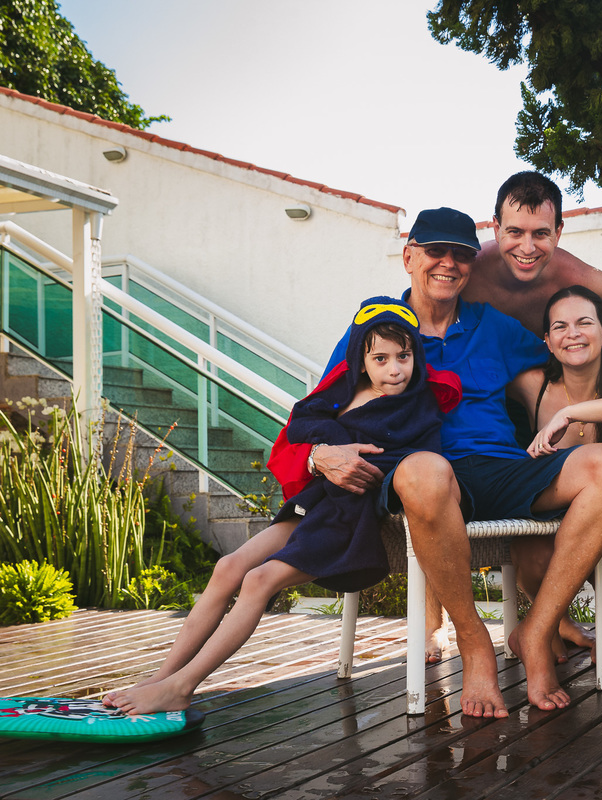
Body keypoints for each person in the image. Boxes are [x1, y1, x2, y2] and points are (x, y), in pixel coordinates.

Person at [314, 207, 602, 716]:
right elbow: (318, 410)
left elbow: (569, 351)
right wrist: (319, 454)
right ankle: (475, 642)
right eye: (435, 252)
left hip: (503, 466)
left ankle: (539, 630)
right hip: (424, 473)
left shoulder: (495, 328)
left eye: (461, 254)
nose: (448, 263)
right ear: (409, 256)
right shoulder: (378, 331)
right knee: (425, 469)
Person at [104, 298, 454, 714]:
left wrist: (335, 443)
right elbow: (301, 423)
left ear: (416, 354)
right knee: (228, 568)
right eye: (380, 358)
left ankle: (183, 686)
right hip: (319, 505)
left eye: (404, 356)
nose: (394, 369)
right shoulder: (343, 392)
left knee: (257, 581)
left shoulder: (416, 404)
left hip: (352, 517)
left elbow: (406, 460)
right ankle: (163, 676)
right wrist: (327, 443)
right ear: (361, 360)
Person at [511, 285, 602, 661]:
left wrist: (569, 413)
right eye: (559, 327)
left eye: (585, 323)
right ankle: (552, 623)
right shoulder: (532, 385)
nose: (572, 333)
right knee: (531, 558)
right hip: (547, 517)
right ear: (547, 340)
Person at [461, 170, 602, 337]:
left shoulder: (573, 276)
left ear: (557, 233)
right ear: (497, 229)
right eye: (515, 232)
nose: (527, 247)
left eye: (541, 233)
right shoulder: (468, 272)